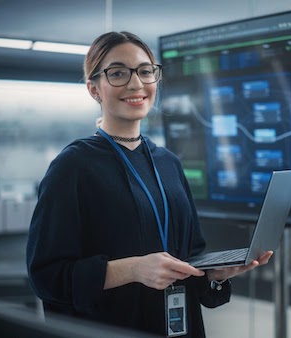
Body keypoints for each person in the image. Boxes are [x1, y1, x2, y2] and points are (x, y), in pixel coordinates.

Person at [26, 31, 273, 337]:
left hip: (179, 326)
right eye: (117, 73)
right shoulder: (73, 166)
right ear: (94, 89)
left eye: (145, 71)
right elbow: (46, 276)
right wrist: (132, 269)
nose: (136, 83)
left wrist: (214, 274)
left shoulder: (168, 163)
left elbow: (191, 254)